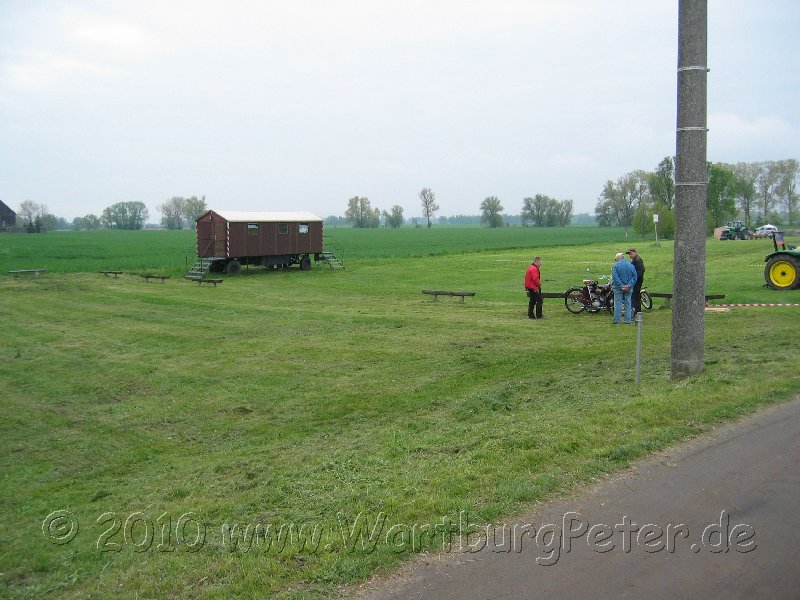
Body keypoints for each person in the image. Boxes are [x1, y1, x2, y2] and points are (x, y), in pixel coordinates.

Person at [611, 252, 637, 324]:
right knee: (628, 303)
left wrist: (621, 285)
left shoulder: (616, 266)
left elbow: (615, 277)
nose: (616, 260)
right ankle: (627, 320)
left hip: (618, 288)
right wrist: (629, 285)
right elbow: (635, 276)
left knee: (618, 303)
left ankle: (617, 320)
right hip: (629, 287)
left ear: (618, 258)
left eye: (616, 259)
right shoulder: (631, 265)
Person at [626, 248, 645, 314]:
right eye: (629, 254)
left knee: (634, 295)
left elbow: (641, 270)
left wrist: (635, 278)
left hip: (637, 281)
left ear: (635, 253)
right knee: (636, 295)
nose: (630, 255)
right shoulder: (635, 259)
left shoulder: (637, 260)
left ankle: (636, 311)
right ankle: (637, 311)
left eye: (631, 254)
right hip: (637, 280)